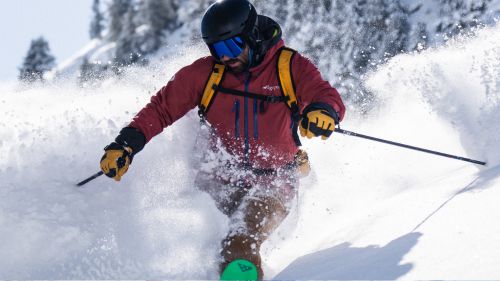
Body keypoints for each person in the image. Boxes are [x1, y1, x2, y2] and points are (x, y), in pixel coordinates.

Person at [99, 0, 345, 279]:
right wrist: (126, 144)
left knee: (238, 242)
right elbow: (161, 108)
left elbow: (326, 97)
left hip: (273, 182)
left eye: (230, 47)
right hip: (221, 178)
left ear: (251, 34)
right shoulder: (207, 74)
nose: (225, 57)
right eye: (216, 49)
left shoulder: (289, 67)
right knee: (197, 242)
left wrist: (323, 112)